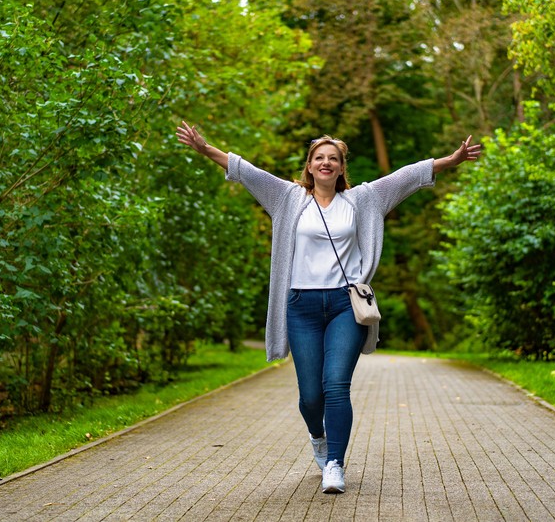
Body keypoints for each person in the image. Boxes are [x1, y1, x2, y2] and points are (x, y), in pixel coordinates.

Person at [176, 121, 482, 494]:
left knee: (336, 385)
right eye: (319, 158)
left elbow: (406, 177)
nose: (325, 163)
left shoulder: (363, 199)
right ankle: (318, 436)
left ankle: (334, 463)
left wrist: (451, 160)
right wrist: (205, 148)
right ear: (309, 166)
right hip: (301, 305)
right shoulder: (287, 198)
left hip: (344, 305)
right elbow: (246, 171)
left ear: (340, 167)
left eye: (333, 158)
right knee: (310, 396)